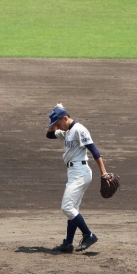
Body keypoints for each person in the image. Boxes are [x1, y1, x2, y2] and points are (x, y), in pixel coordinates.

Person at [45, 103, 108, 253]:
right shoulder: (67, 131)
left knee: (67, 207)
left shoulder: (79, 130)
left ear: (65, 118)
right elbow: (49, 135)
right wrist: (55, 113)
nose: (57, 127)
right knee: (72, 208)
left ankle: (89, 235)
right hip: (74, 172)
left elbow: (94, 150)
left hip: (80, 172)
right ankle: (68, 243)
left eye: (58, 123)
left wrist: (104, 173)